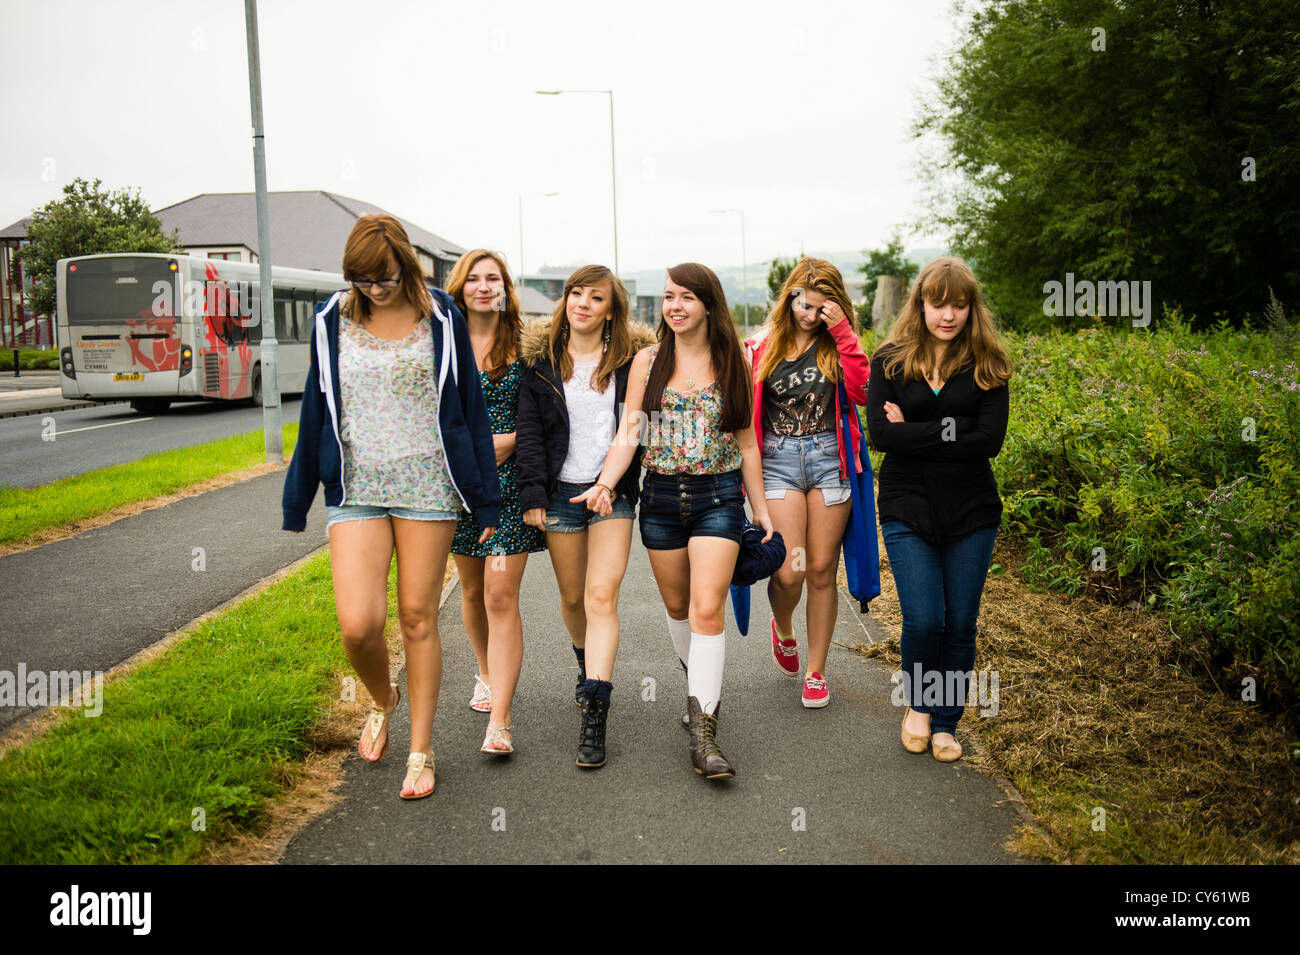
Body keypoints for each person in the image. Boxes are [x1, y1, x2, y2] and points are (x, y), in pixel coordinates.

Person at [282, 214, 499, 798]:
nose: (374, 290)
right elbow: (315, 407)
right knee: (358, 626)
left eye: (383, 278)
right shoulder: (332, 318)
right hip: (356, 486)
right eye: (362, 280)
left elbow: (469, 412)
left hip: (429, 484)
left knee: (417, 617)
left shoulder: (442, 317)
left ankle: (421, 749)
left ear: (405, 263)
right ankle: (384, 698)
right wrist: (298, 494)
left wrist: (485, 503)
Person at [584, 262, 772, 781]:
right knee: (677, 607)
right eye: (669, 297)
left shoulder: (734, 360)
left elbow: (748, 443)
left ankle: (704, 731)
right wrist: (604, 484)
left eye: (687, 297)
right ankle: (699, 688)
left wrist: (761, 510)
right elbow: (630, 432)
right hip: (662, 499)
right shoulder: (648, 362)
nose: (676, 306)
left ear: (709, 304)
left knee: (705, 608)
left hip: (718, 497)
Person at [864, 256, 1011, 762]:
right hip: (907, 506)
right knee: (925, 619)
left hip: (972, 510)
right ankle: (919, 708)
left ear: (972, 307)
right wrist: (949, 430)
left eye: (959, 304)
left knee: (960, 623)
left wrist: (916, 430)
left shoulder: (988, 364)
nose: (948, 314)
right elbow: (881, 436)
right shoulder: (888, 360)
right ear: (921, 303)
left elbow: (988, 441)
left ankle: (947, 722)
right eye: (938, 303)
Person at [516, 264, 655, 768]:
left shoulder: (632, 364)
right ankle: (584, 662)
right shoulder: (541, 364)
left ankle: (595, 710)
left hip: (612, 496)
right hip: (559, 496)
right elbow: (529, 433)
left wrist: (614, 483)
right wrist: (532, 492)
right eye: (576, 294)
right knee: (573, 597)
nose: (582, 303)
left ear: (611, 310)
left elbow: (639, 428)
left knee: (601, 596)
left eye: (596, 298)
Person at [744, 258, 869, 708]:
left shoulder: (838, 346)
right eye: (803, 304)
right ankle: (783, 628)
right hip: (777, 461)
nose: (809, 315)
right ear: (789, 298)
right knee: (789, 569)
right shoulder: (762, 346)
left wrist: (843, 334)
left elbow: (862, 392)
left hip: (828, 463)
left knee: (821, 571)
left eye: (820, 308)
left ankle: (816, 673)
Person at [444, 251, 545, 754]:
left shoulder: (527, 346)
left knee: (499, 595)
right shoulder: (442, 346)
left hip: (510, 488)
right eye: (475, 279)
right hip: (456, 488)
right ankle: (484, 671)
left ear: (506, 288)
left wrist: (495, 445)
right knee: (469, 588)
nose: (485, 287)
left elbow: (539, 421)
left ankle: (500, 720)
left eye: (495, 279)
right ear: (460, 288)